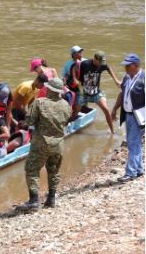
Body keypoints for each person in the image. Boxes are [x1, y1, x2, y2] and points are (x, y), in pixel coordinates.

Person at [16, 78, 71, 211]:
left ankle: (34, 201)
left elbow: (29, 121)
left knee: (32, 169)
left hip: (41, 143)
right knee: (54, 170)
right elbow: (66, 121)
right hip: (58, 144)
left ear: (49, 89)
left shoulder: (39, 102)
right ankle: (51, 199)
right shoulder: (65, 105)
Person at [112, 53, 145, 182]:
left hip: (140, 117)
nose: (125, 68)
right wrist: (115, 109)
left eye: (128, 65)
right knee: (135, 143)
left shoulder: (144, 78)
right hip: (128, 115)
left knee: (132, 142)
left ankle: (130, 173)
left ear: (136, 65)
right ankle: (139, 170)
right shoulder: (126, 77)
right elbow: (122, 94)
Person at [72, 51, 120, 133]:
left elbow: (108, 68)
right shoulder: (85, 64)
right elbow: (74, 68)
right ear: (95, 59)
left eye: (102, 62)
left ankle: (112, 131)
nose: (101, 64)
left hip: (96, 93)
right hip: (84, 94)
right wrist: (75, 79)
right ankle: (69, 127)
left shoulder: (102, 65)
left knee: (106, 110)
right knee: (75, 112)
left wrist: (116, 80)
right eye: (100, 61)